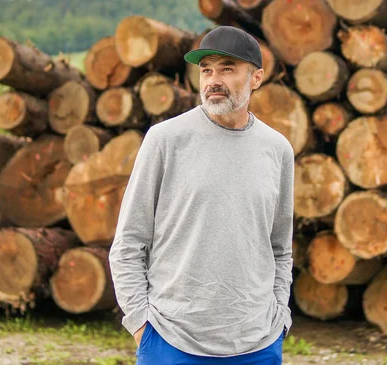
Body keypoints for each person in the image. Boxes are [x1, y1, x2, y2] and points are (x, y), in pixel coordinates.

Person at [108, 25, 294, 365]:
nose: (213, 80)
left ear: (256, 78)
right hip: (171, 339)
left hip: (258, 343)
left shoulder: (277, 149)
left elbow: (280, 248)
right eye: (206, 70)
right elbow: (129, 242)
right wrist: (141, 323)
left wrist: (279, 316)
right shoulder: (166, 140)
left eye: (227, 69)